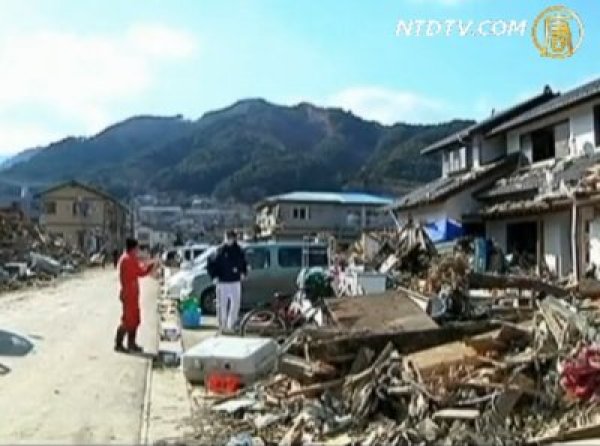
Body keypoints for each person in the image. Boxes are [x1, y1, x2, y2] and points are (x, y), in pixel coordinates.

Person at [114, 238, 156, 353]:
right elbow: (140, 272)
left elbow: (139, 269)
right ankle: (118, 344)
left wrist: (147, 265)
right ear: (133, 248)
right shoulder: (128, 260)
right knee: (128, 320)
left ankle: (131, 344)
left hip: (131, 293)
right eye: (137, 248)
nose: (138, 251)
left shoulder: (128, 258)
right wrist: (150, 267)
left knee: (135, 320)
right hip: (129, 294)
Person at [208, 230, 247, 331]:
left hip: (235, 280)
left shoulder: (239, 250)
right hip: (222, 281)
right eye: (227, 238)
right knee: (222, 304)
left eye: (230, 238)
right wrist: (214, 276)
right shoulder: (219, 250)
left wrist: (243, 272)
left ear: (234, 239)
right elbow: (211, 265)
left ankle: (232, 324)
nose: (229, 240)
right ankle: (222, 325)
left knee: (236, 303)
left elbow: (244, 263)